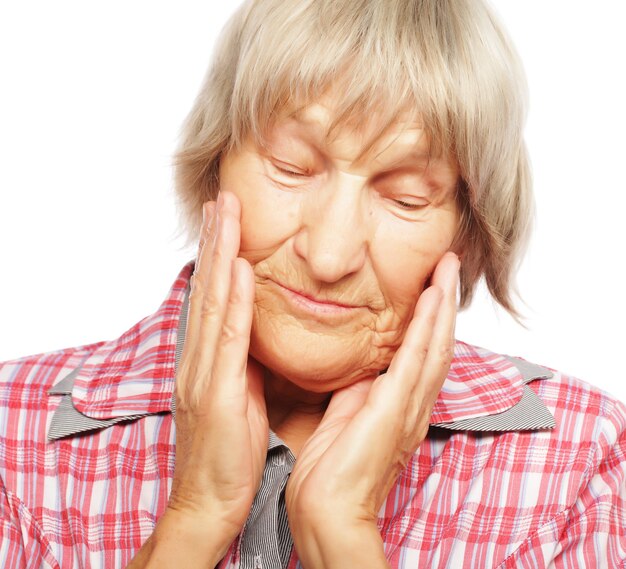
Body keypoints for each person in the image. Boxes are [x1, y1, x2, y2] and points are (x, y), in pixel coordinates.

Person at [1, 1, 625, 568]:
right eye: (290, 167)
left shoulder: (583, 462)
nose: (328, 255)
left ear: (468, 235)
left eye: (406, 198)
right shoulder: (12, 435)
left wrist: (342, 535)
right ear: (214, 166)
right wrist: (194, 518)